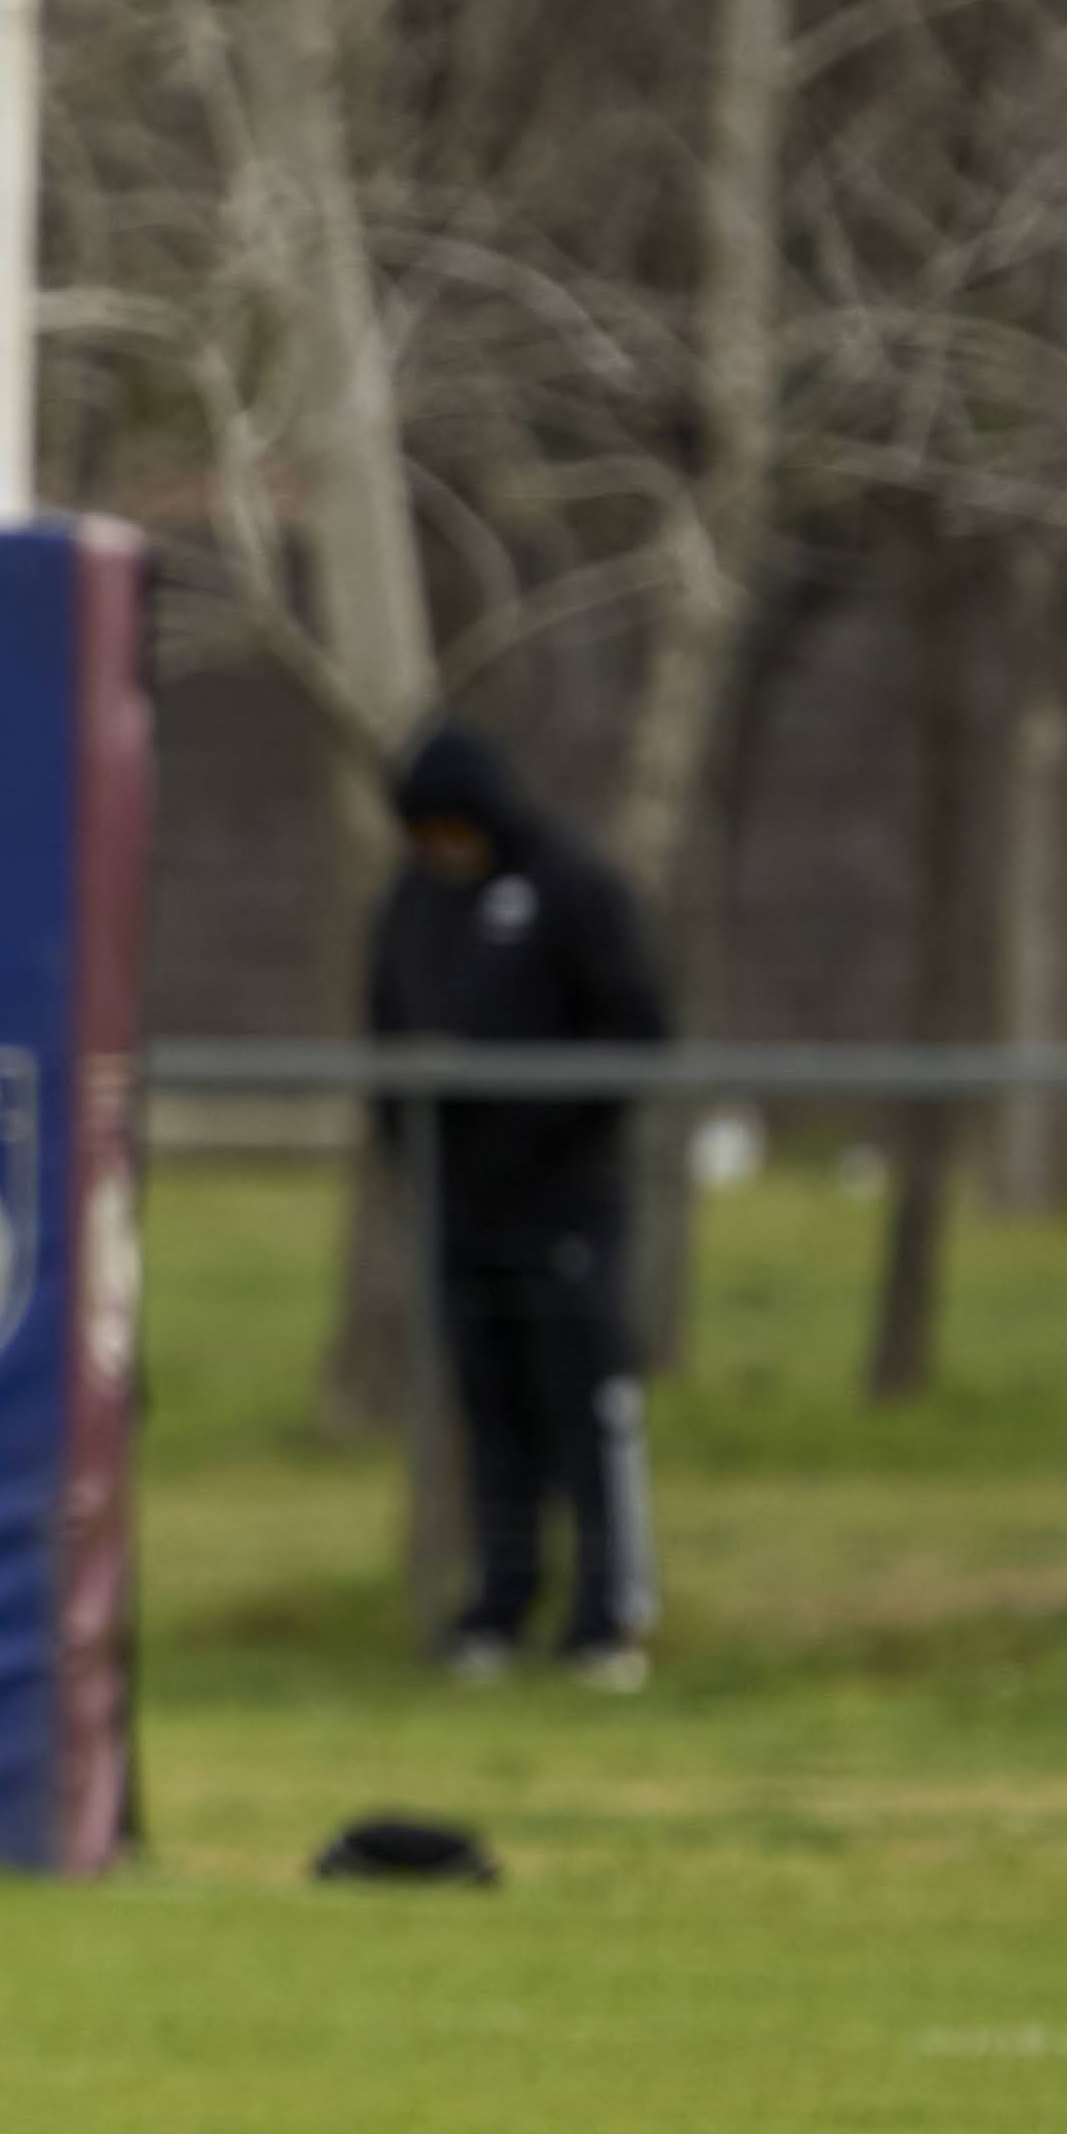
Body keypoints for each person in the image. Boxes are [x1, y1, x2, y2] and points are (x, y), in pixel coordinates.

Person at [368, 721, 673, 1688]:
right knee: (489, 1412)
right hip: (461, 1210)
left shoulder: (571, 886)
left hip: (564, 1206)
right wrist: (411, 1148)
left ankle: (604, 1612)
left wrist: (545, 1126)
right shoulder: (411, 902)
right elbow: (382, 1033)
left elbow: (635, 1029)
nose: (443, 847)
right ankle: (498, 1603)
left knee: (581, 1407)